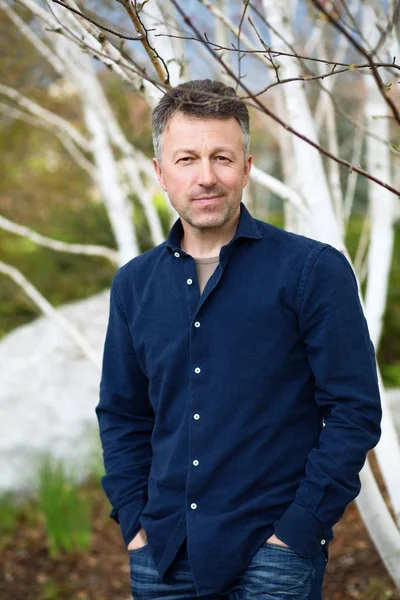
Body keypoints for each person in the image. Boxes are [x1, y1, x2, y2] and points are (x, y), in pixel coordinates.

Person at [95, 79, 382, 600]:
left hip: (272, 556)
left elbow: (353, 410)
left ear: (246, 167)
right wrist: (134, 522)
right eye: (187, 159)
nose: (207, 177)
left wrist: (298, 530)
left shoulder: (312, 270)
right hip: (162, 554)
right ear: (161, 173)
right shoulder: (133, 285)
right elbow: (122, 414)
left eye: (222, 157)